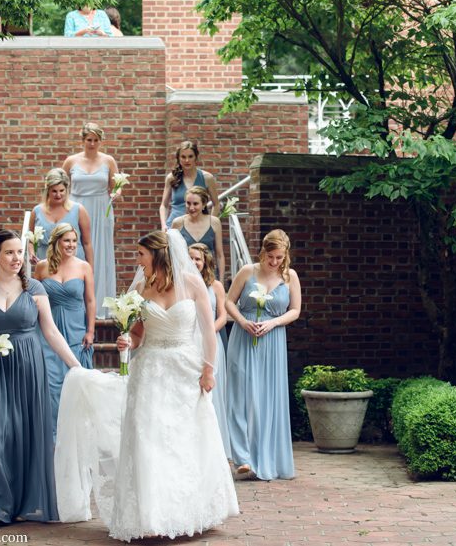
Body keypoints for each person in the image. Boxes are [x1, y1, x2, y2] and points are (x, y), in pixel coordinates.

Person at [54, 230, 239, 541]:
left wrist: (209, 370)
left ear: (157, 254)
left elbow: (208, 331)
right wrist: (129, 340)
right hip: (150, 371)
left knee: (184, 438)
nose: (137, 260)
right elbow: (139, 333)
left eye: (141, 254)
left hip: (185, 369)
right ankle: (151, 515)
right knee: (148, 438)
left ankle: (188, 510)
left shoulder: (192, 283)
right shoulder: (141, 288)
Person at [0, 229, 83, 528]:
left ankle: (22, 504)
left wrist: (76, 365)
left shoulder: (35, 289)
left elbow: (51, 331)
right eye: (9, 252)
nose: (17, 258)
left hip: (29, 367)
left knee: (24, 434)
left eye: (19, 252)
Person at [225, 229, 302, 481]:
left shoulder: (290, 276)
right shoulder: (247, 271)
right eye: (270, 257)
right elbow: (228, 301)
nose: (274, 262)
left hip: (272, 341)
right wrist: (242, 321)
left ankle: (265, 458)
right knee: (240, 397)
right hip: (243, 337)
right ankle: (243, 458)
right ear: (263, 252)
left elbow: (295, 310)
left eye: (279, 257)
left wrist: (273, 323)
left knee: (267, 399)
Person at [34, 223, 97, 437]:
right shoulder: (42, 267)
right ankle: (53, 436)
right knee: (51, 385)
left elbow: (90, 301)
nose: (71, 245)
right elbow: (32, 298)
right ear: (56, 242)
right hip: (48, 331)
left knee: (76, 382)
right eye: (67, 240)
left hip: (76, 331)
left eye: (74, 241)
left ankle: (77, 434)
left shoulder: (84, 267)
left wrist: (90, 331)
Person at [62, 122, 119, 318]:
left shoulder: (108, 161)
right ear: (83, 140)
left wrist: (117, 193)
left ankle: (100, 305)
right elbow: (61, 185)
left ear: (100, 141)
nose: (92, 144)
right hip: (76, 208)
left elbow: (116, 186)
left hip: (101, 209)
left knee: (100, 252)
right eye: (89, 140)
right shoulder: (71, 161)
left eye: (96, 140)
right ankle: (76, 304)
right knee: (77, 249)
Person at [189, 242, 231, 460]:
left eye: (198, 259)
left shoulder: (215, 286)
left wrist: (208, 331)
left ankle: (215, 449)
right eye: (190, 258)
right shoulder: (182, 284)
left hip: (211, 340)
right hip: (189, 341)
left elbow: (223, 315)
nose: (194, 262)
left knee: (211, 392)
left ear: (206, 262)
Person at [27, 168, 93, 269]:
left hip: (74, 267)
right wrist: (32, 253)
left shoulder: (79, 210)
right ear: (47, 190)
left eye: (61, 190)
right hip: (46, 267)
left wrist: (90, 270)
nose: (58, 195)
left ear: (67, 189)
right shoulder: (36, 211)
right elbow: (31, 240)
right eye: (54, 191)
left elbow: (87, 243)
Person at [159, 141, 220, 230]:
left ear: (196, 157)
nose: (187, 160)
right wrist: (164, 225)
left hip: (199, 228)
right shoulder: (171, 178)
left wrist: (210, 224)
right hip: (174, 227)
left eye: (190, 156)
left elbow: (216, 204)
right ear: (178, 158)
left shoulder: (207, 178)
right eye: (183, 157)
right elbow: (164, 205)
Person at [171, 186, 225, 279]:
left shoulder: (215, 222)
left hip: (210, 276)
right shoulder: (177, 223)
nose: (191, 207)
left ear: (204, 204)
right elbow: (172, 255)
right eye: (188, 203)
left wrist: (221, 281)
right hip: (186, 276)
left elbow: (219, 255)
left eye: (195, 204)